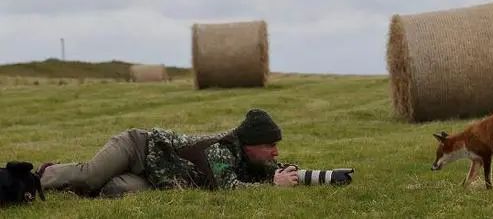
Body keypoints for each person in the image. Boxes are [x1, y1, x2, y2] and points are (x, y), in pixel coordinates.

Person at [38, 109, 299, 197]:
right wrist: (274, 186)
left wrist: (289, 172)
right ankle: (42, 175)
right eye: (270, 146)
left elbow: (263, 169)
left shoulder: (245, 156)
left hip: (156, 176)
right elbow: (229, 187)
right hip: (137, 147)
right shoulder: (221, 151)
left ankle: (69, 188)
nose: (275, 152)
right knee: (89, 178)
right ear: (250, 144)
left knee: (115, 191)